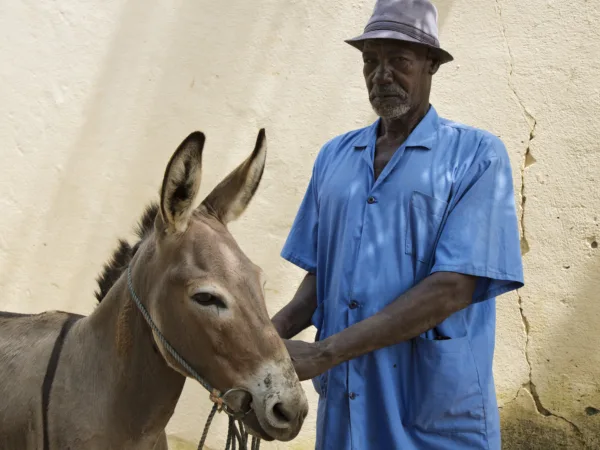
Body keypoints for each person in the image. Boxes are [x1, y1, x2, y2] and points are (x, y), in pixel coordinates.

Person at [270, 0, 525, 448]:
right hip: (348, 413)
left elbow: (452, 288)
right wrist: (259, 345)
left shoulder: (477, 156)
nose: (381, 75)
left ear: (431, 65)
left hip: (432, 414)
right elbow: (320, 276)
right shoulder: (335, 157)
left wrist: (326, 352)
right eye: (371, 61)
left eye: (399, 61)